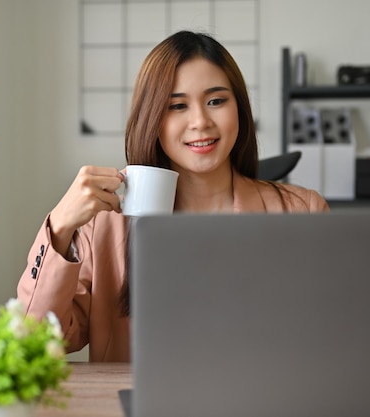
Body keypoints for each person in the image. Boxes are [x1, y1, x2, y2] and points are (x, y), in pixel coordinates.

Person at [17, 30, 329, 362]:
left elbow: (335, 333)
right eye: (177, 106)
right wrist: (60, 227)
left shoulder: (302, 213)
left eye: (216, 101)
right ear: (151, 118)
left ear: (239, 107)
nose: (200, 121)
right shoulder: (104, 228)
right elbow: (34, 342)